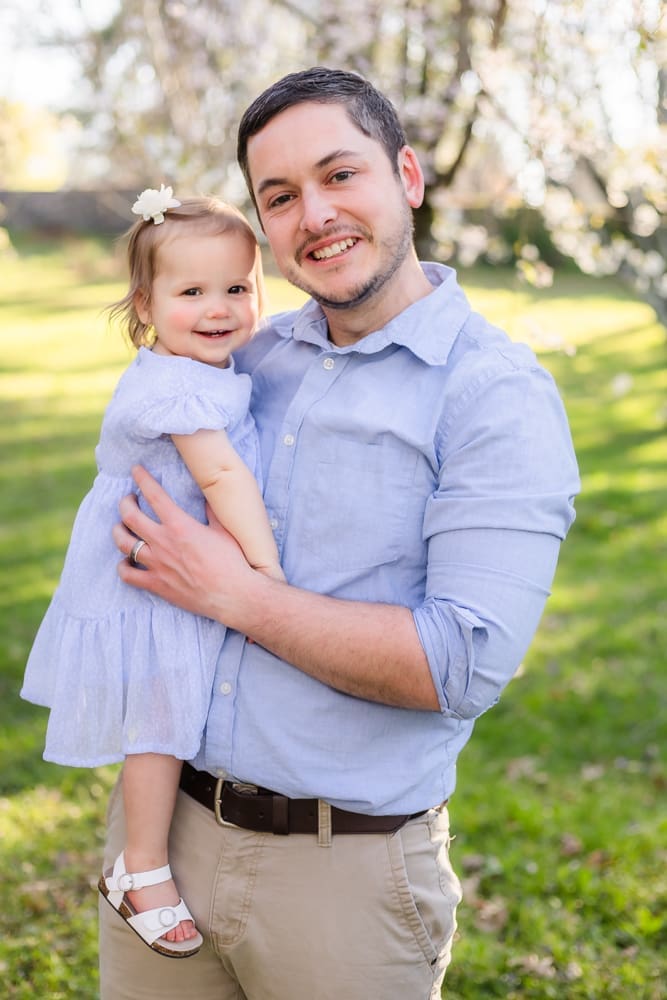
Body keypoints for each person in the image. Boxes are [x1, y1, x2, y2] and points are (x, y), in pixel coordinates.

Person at [101, 67, 580, 998]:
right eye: (280, 196)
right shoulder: (244, 355)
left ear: (407, 175)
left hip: (341, 878)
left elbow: (459, 666)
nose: (314, 214)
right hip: (162, 838)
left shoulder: (493, 394)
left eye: (339, 175)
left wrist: (237, 595)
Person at [21, 189, 284, 960]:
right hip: (142, 578)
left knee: (173, 715)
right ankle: (140, 869)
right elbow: (222, 476)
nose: (218, 308)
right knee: (158, 725)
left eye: (236, 287)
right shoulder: (172, 387)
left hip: (170, 560)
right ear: (145, 305)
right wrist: (266, 573)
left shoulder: (201, 366)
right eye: (191, 292)